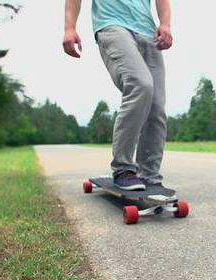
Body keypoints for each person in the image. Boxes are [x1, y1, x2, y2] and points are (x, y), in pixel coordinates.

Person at [63, 0, 173, 191]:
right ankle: (123, 169)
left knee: (157, 107)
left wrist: (165, 24)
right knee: (141, 84)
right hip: (112, 26)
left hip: (148, 33)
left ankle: (149, 174)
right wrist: (70, 28)